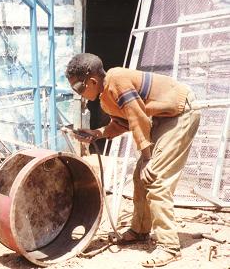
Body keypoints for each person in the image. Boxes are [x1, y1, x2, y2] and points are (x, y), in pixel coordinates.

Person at [65, 53, 200, 267]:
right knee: (139, 177)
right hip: (163, 118)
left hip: (180, 113)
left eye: (79, 88)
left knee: (155, 178)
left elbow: (138, 118)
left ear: (92, 81)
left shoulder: (116, 79)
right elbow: (123, 123)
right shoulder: (106, 97)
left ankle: (169, 247)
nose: (78, 93)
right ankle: (140, 230)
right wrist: (96, 134)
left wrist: (147, 158)